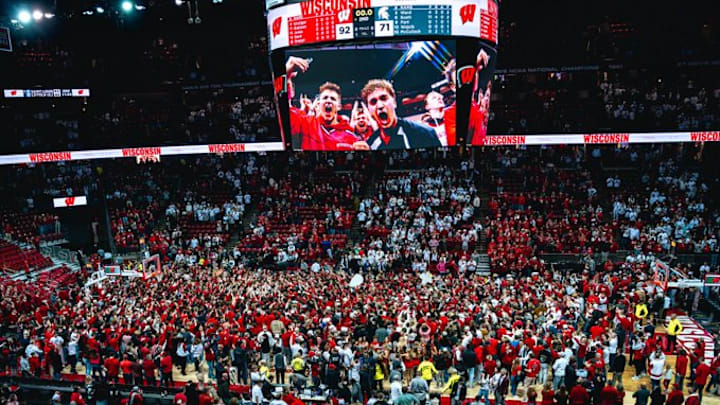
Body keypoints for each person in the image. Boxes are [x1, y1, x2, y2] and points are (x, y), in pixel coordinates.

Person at [285, 56, 367, 151]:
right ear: (318, 104)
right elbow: (283, 111)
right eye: (325, 98)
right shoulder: (306, 123)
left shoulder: (351, 138)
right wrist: (286, 71)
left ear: (339, 106)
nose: (328, 100)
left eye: (332, 99)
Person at [361, 79, 441, 150]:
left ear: (394, 102)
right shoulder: (371, 145)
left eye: (383, 98)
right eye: (373, 102)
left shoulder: (424, 133)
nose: (380, 106)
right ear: (369, 110)